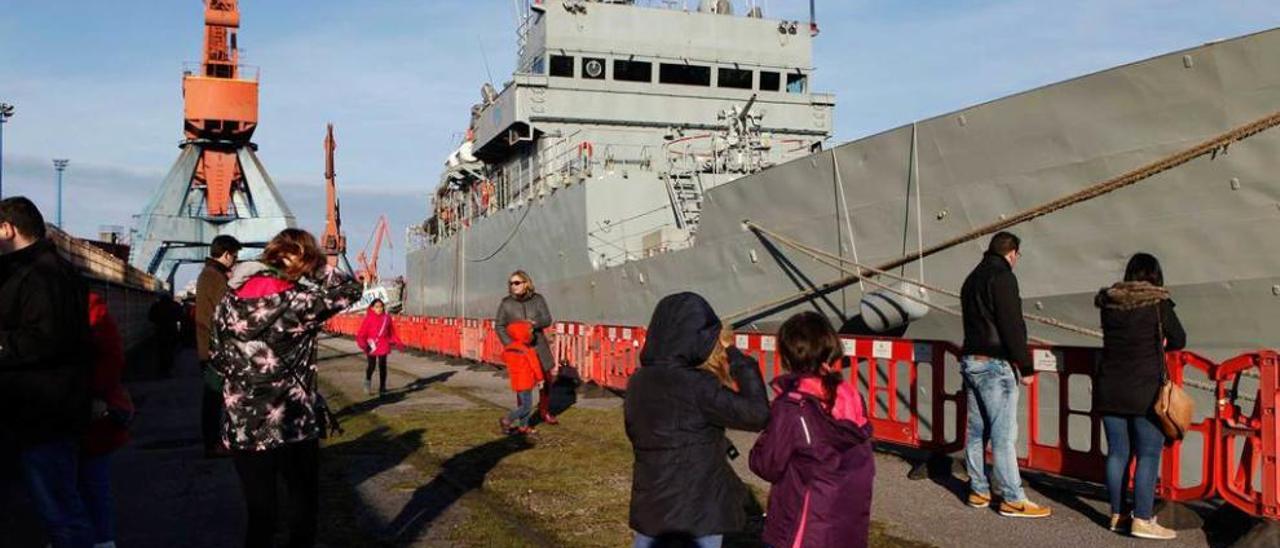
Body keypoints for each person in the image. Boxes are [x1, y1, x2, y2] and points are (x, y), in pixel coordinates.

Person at [211, 228, 360, 548]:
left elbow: (218, 359)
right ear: (300, 261)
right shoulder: (298, 302)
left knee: (260, 516)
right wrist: (318, 267)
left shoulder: (226, 303)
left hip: (244, 427)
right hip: (292, 424)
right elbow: (351, 289)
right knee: (301, 513)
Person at [624, 292, 769, 547]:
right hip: (698, 511)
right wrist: (734, 355)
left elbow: (634, 430)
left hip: (652, 505)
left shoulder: (638, 382)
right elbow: (756, 414)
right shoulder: (698, 385)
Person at [0, 196, 95, 547]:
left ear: (8, 229)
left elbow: (45, 339)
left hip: (43, 416)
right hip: (40, 413)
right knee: (51, 513)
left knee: (59, 515)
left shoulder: (43, 275)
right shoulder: (47, 270)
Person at [750, 311, 874, 548]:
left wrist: (761, 442)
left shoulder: (792, 407)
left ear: (787, 356)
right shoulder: (850, 393)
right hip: (847, 521)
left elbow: (767, 465)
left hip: (802, 525)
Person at [958, 231, 1051, 518]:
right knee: (1004, 433)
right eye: (1017, 256)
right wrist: (1024, 366)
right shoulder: (1003, 278)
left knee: (976, 431)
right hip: (995, 366)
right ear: (1012, 253)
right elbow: (1011, 324)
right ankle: (1012, 497)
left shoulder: (971, 279)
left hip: (971, 360)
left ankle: (978, 489)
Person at [1094, 253, 1185, 540]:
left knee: (1118, 453)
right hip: (1146, 390)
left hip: (1109, 387)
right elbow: (1179, 338)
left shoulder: (1109, 303)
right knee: (1147, 454)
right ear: (1155, 275)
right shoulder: (1158, 303)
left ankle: (1118, 515)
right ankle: (1143, 519)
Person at [81, 291, 134, 548]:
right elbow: (112, 352)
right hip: (87, 410)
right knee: (94, 484)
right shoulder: (86, 299)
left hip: (44, 409)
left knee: (57, 488)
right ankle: (101, 539)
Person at [196, 234, 242, 458]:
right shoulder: (214, 277)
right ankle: (214, 443)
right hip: (216, 348)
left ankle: (214, 442)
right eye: (234, 256)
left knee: (214, 399)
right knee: (215, 399)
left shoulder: (208, 274)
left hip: (208, 346)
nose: (235, 260)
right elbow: (229, 310)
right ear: (226, 254)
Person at [495, 270, 559, 425]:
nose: (513, 286)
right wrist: (510, 345)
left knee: (547, 381)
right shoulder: (506, 303)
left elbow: (547, 319)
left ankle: (544, 411)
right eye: (511, 283)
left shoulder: (538, 299)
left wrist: (534, 323)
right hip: (520, 352)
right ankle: (524, 422)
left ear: (526, 283)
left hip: (539, 347)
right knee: (523, 386)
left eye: (516, 283)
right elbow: (499, 326)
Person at [499, 320, 544, 435]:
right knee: (527, 407)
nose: (531, 334)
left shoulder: (509, 347)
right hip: (526, 380)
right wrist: (540, 379)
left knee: (524, 404)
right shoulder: (527, 349)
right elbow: (535, 365)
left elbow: (503, 358)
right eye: (530, 331)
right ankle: (507, 419)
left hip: (515, 380)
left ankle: (523, 426)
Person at [355, 298, 404, 395]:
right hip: (371, 346)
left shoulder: (387, 318)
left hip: (383, 344)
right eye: (377, 307)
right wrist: (364, 345)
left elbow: (392, 332)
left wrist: (398, 343)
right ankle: (367, 381)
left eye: (381, 307)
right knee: (371, 366)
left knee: (383, 366)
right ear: (372, 308)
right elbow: (361, 334)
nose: (379, 309)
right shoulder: (368, 319)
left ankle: (382, 387)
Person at [147, 293, 181, 376]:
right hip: (171, 330)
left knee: (161, 350)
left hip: (160, 330)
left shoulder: (156, 306)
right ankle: (169, 369)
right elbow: (180, 316)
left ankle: (161, 369)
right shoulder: (175, 305)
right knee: (170, 350)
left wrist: (158, 321)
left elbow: (150, 317)